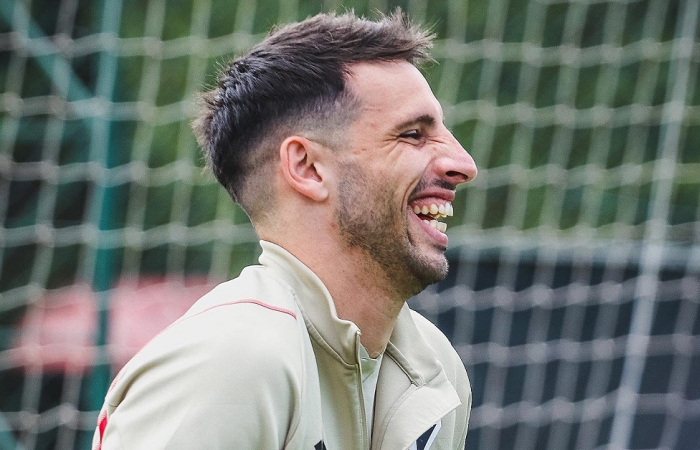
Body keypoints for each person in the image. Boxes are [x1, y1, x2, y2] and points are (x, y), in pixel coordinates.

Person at [92, 10, 477, 450]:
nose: (464, 165)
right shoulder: (232, 362)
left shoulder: (435, 368)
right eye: (412, 134)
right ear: (308, 168)